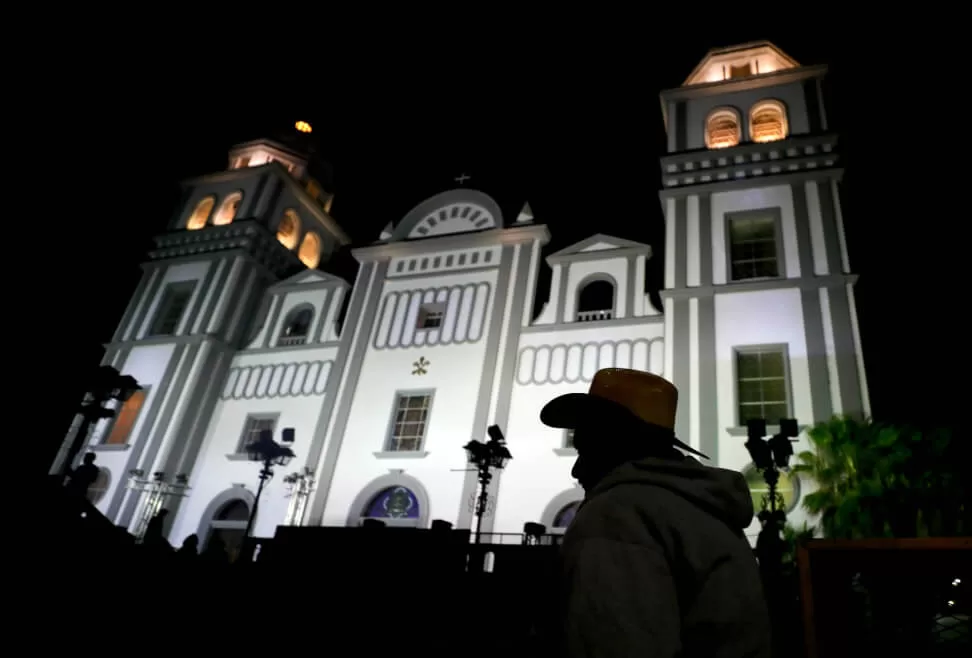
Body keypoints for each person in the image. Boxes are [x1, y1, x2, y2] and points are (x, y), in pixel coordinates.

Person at [540, 368, 771, 658]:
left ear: (613, 443)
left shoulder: (617, 516)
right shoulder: (701, 505)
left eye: (585, 449)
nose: (577, 470)